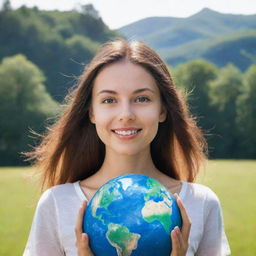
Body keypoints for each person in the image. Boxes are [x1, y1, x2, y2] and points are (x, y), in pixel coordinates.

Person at [23, 39, 231, 256]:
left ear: (162, 110)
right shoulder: (57, 204)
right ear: (91, 113)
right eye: (109, 100)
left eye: (142, 98)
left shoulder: (201, 203)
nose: (126, 114)